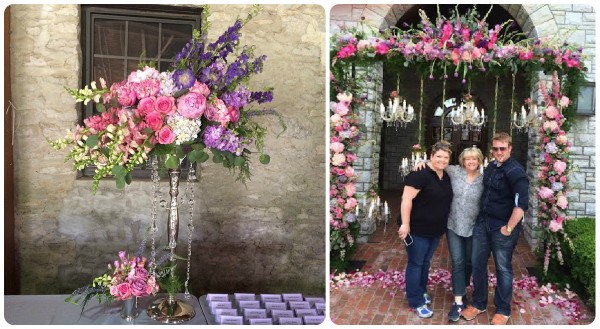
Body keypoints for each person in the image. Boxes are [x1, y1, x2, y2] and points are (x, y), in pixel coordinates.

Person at [461, 132, 529, 325]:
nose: (498, 152)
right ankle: (480, 303)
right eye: (495, 149)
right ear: (492, 149)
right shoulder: (491, 167)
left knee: (503, 268)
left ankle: (503, 309)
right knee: (477, 264)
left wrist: (508, 228)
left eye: (502, 148)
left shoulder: (516, 172)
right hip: (483, 224)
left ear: (509, 149)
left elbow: (521, 204)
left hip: (503, 228)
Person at [416, 146, 485, 322]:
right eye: (468, 158)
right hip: (453, 225)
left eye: (474, 159)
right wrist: (420, 163)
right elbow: (436, 163)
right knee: (458, 261)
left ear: (479, 161)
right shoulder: (454, 171)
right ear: (463, 160)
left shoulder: (484, 179)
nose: (471, 162)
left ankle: (463, 289)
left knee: (469, 262)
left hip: (473, 227)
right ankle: (458, 300)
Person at [397, 141, 453, 318]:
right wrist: (405, 224)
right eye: (438, 156)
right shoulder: (419, 173)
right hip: (417, 229)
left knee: (425, 262)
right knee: (415, 263)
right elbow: (406, 200)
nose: (442, 160)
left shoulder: (445, 175)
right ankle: (416, 301)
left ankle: (420, 291)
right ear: (431, 156)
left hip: (434, 230)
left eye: (445, 157)